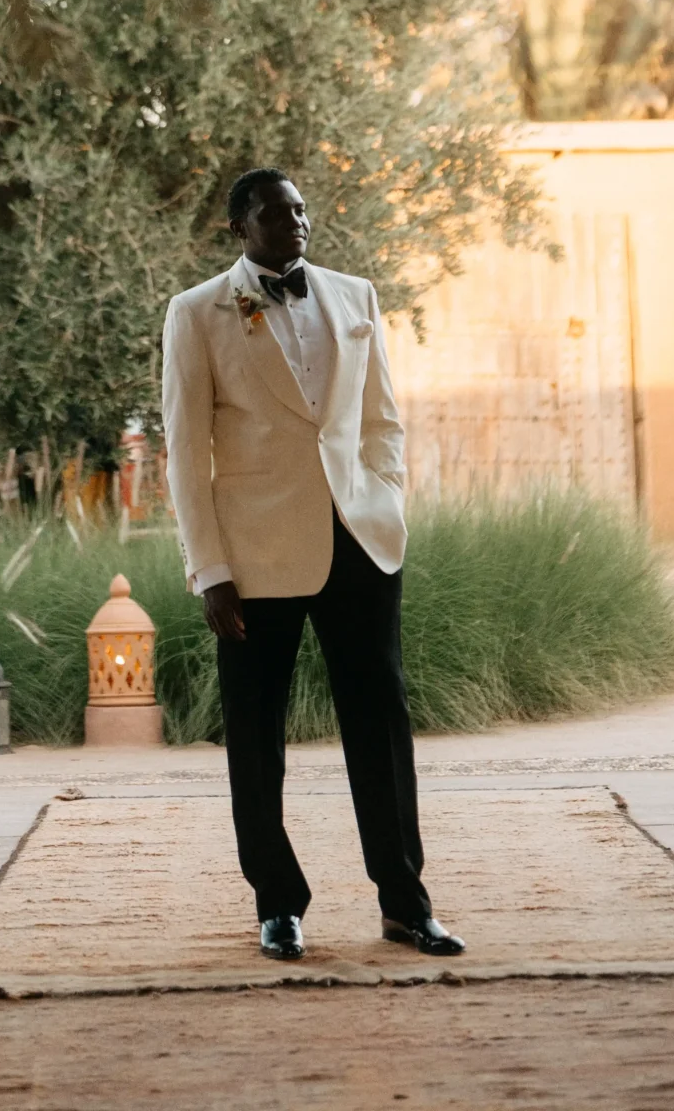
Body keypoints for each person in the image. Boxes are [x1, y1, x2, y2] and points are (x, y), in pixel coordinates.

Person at [161, 166, 464, 963]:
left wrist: (385, 496)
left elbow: (382, 419)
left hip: (361, 542)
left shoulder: (354, 295)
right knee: (255, 737)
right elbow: (186, 456)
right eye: (274, 212)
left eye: (299, 209)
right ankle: (277, 903)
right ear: (239, 227)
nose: (295, 222)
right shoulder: (196, 315)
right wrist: (207, 568)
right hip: (253, 560)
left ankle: (405, 902)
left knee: (381, 724)